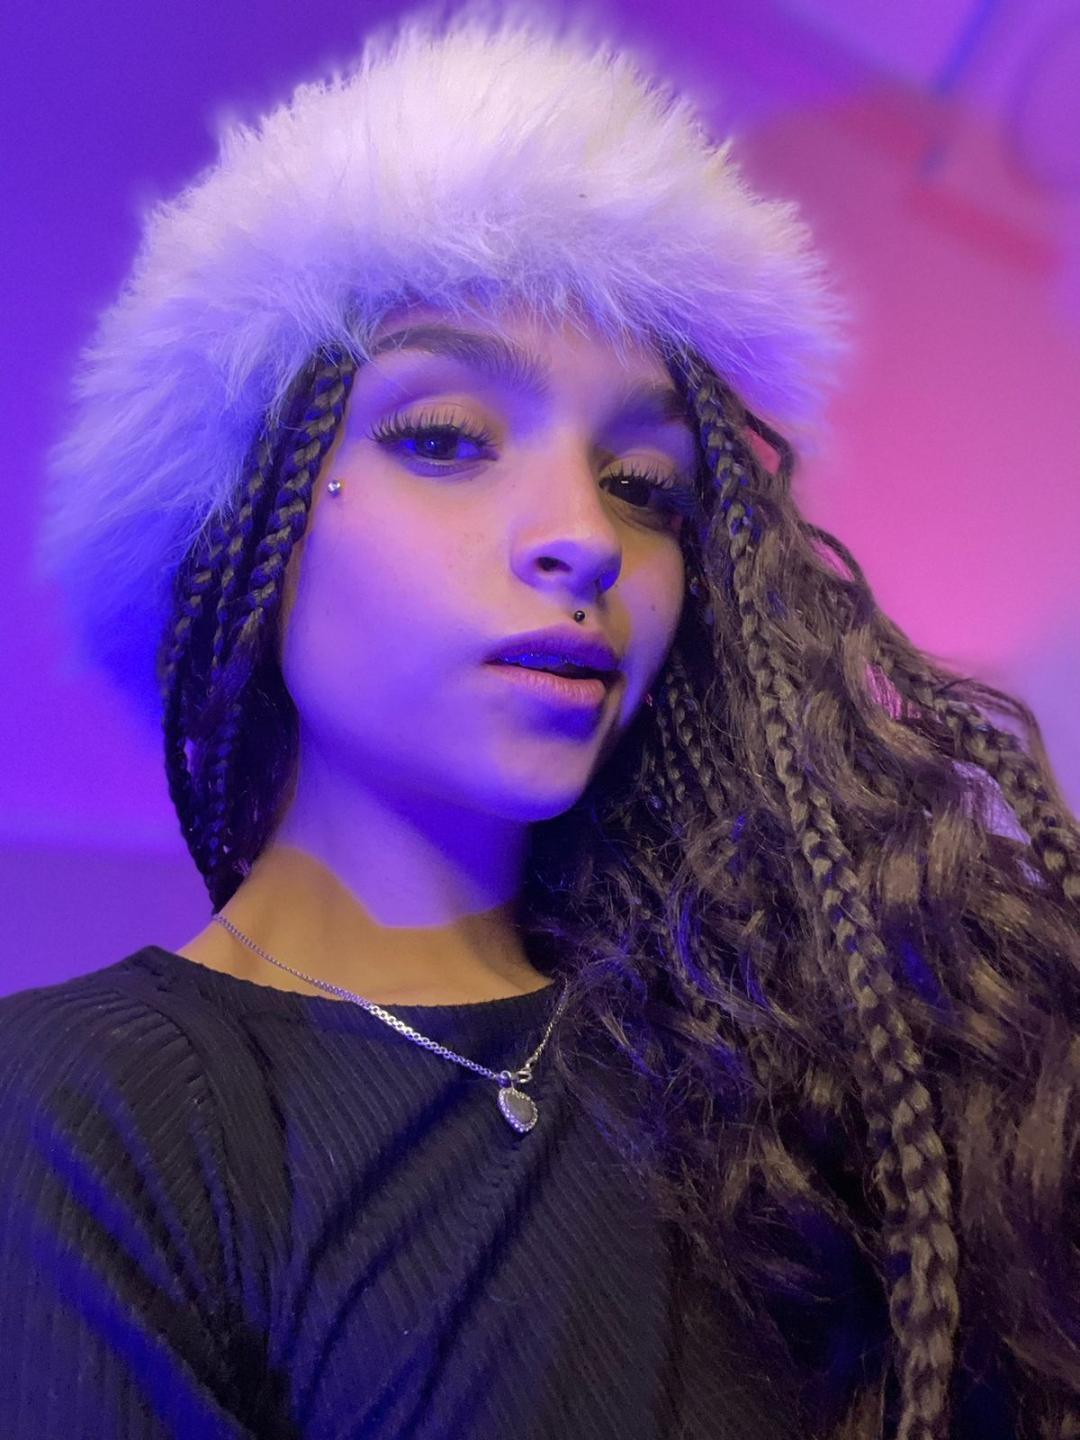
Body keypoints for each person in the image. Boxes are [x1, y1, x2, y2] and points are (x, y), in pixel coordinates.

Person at [2, 4, 1077, 1438]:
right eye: (444, 438)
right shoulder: (88, 1109)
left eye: (644, 486)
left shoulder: (794, 1088)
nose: (583, 537)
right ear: (249, 530)